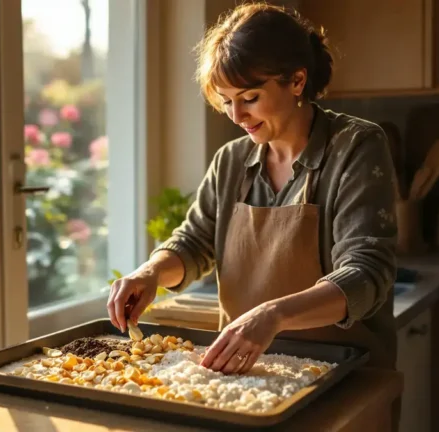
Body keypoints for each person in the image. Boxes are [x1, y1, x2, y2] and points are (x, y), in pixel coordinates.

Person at [107, 3, 397, 375]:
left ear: (297, 80)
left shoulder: (356, 146)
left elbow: (366, 273)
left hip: (345, 376)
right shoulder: (231, 160)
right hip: (246, 376)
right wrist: (150, 273)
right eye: (226, 101)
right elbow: (195, 243)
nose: (236, 116)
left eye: (250, 98)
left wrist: (273, 314)